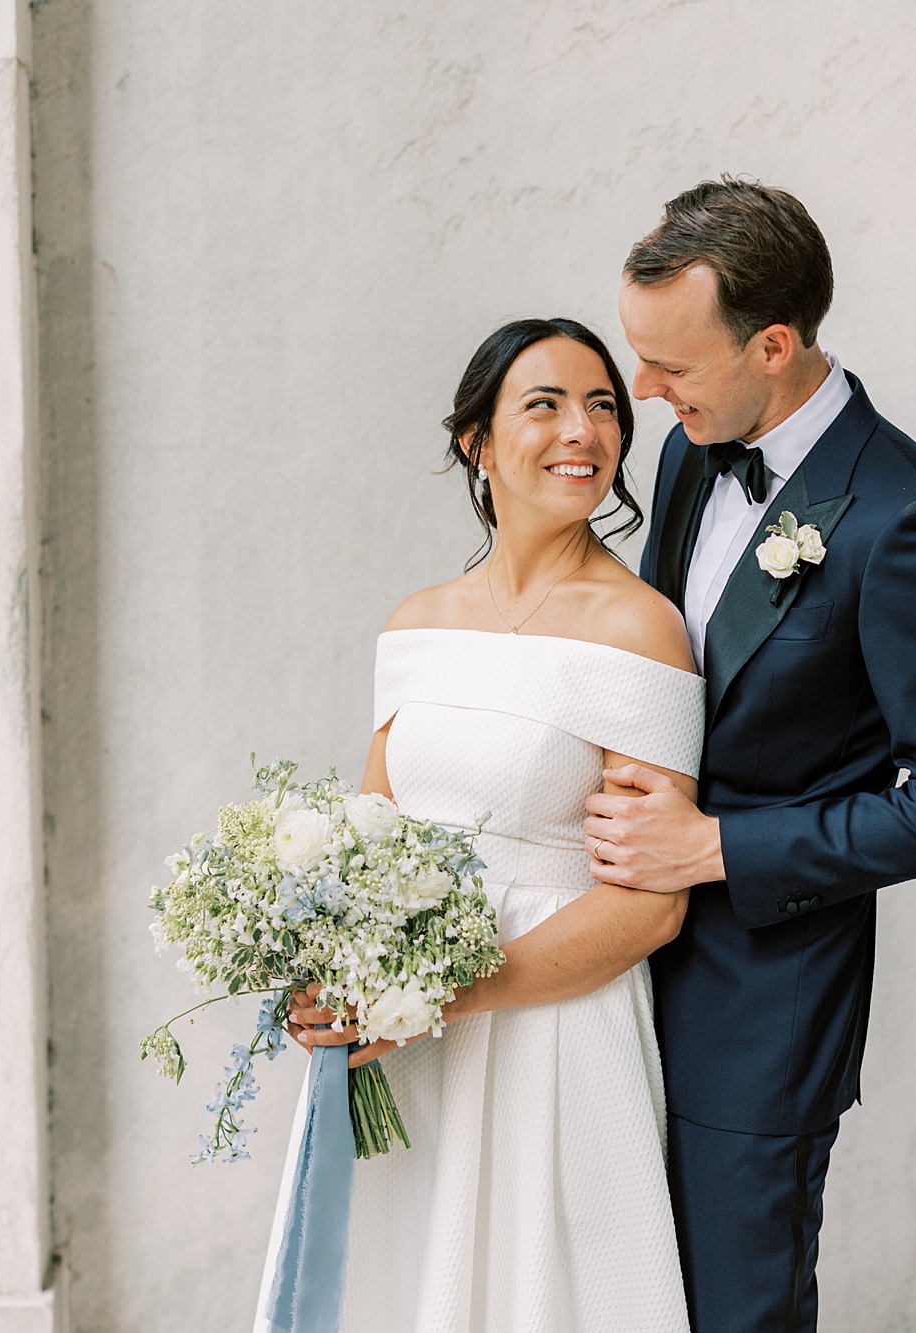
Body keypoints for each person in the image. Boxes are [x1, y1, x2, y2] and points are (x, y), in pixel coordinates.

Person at [583, 177, 916, 1332]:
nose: (642, 391)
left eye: (669, 364)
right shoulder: (689, 453)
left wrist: (715, 844)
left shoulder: (902, 523)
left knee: (734, 1313)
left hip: (758, 1011)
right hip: (611, 974)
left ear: (771, 344)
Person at [267, 317, 705, 1333]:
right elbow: (364, 844)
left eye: (601, 405)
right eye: (544, 404)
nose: (582, 431)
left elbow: (648, 908)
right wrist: (327, 987)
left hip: (555, 1033)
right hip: (405, 1048)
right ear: (475, 441)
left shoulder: (639, 627)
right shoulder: (416, 624)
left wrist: (440, 997)